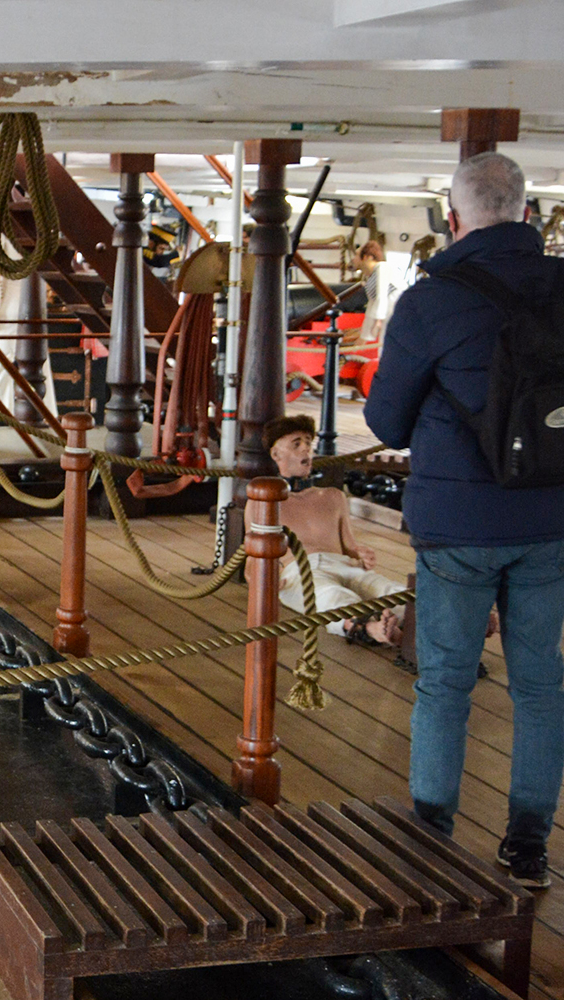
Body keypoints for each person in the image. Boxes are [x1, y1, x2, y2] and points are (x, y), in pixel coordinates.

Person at [365, 151, 564, 888]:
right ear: (528, 212)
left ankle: (432, 843)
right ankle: (528, 844)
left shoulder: (430, 302)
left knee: (445, 683)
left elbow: (387, 423)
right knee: (542, 685)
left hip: (459, 522)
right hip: (551, 517)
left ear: (452, 219)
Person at [265, 414, 407, 646]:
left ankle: (448, 624)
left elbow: (350, 547)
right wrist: (263, 580)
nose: (306, 450)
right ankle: (371, 629)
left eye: (309, 443)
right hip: (299, 571)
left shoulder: (333, 496)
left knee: (391, 590)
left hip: (345, 565)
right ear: (276, 454)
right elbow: (252, 559)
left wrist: (361, 554)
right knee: (333, 597)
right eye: (296, 444)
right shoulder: (267, 501)